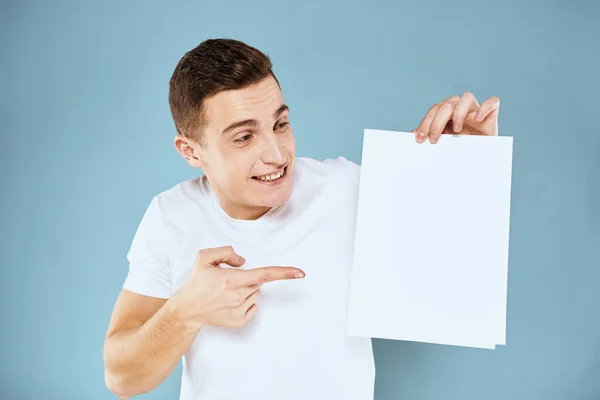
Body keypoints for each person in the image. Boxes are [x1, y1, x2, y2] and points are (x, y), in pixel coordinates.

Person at [102, 38, 500, 400]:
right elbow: (122, 378)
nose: (277, 155)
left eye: (280, 124)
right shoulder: (170, 216)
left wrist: (471, 162)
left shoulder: (348, 187)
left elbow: (458, 270)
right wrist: (184, 312)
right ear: (191, 152)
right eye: (244, 137)